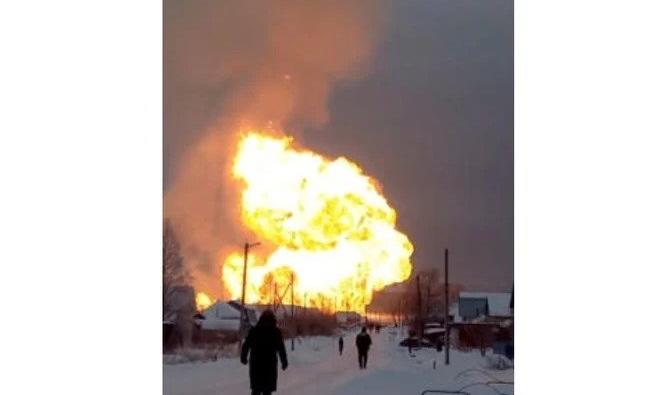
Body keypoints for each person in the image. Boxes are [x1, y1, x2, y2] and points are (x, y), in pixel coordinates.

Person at [241, 310, 288, 395]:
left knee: (256, 389)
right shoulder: (276, 332)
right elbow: (281, 348)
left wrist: (243, 357)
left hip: (256, 365)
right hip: (269, 366)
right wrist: (284, 361)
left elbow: (246, 345)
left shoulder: (254, 331)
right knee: (267, 390)